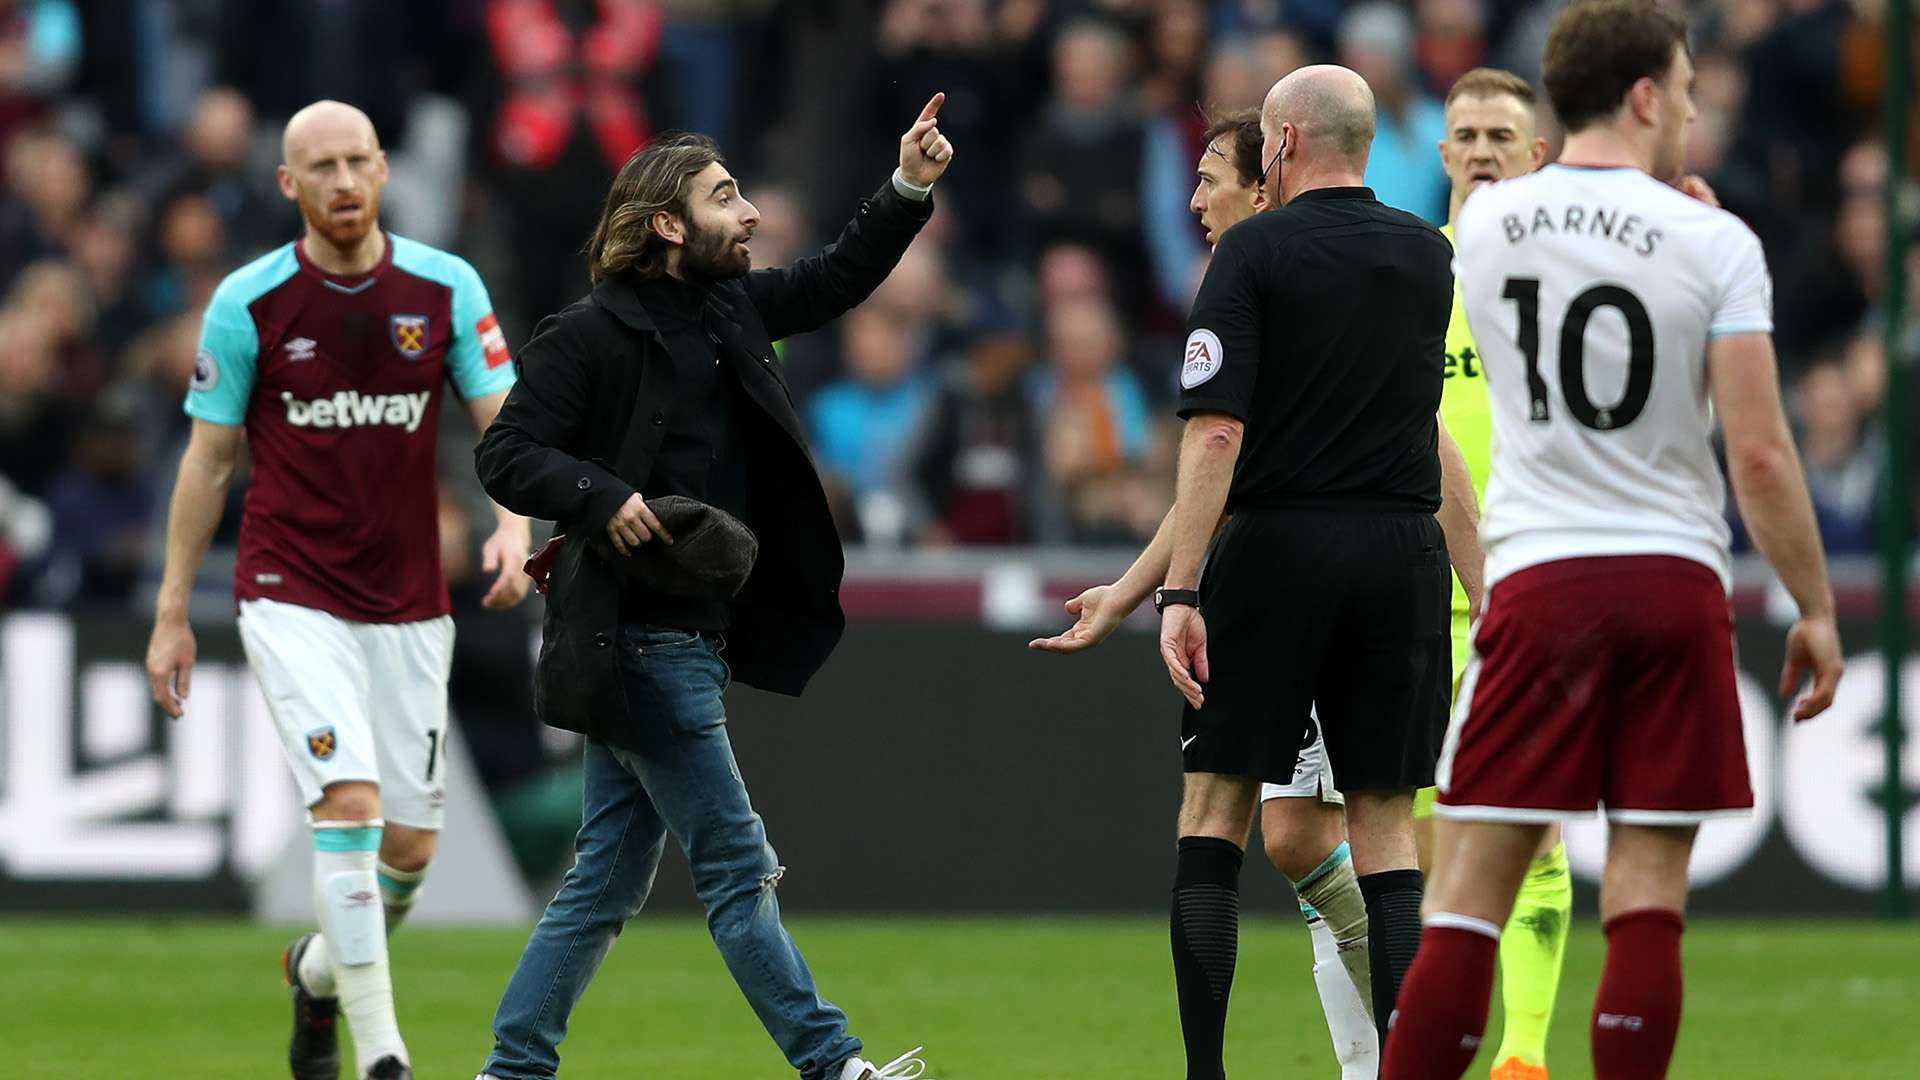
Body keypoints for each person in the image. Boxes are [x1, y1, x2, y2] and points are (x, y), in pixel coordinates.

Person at [1381, 4, 1845, 1077]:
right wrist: (1814, 605)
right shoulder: (1712, 238)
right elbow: (1764, 457)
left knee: (1466, 899)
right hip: (1675, 581)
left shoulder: (1486, 232)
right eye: (1684, 90)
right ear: (1644, 96)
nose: (1689, 107)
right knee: (1643, 896)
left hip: (1537, 582)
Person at [468, 96, 955, 1080]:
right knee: (738, 870)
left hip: (686, 634)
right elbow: (505, 452)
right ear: (667, 224)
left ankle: (511, 1071)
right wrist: (601, 495)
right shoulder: (589, 335)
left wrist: (908, 185)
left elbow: (833, 281)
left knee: (600, 886)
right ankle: (836, 1068)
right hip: (638, 641)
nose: (752, 215)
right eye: (726, 197)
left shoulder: (727, 307)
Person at [1036, 69, 1473, 1079]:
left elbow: (1218, 437)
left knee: (1216, 815)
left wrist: (1181, 592)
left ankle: (1205, 1073)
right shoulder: (1426, 255)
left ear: (1281, 143)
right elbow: (1424, 433)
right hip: (1399, 557)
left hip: (1277, 553)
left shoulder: (1251, 254)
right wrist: (1482, 589)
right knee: (1387, 834)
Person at [143, 100, 532, 1080]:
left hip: (408, 597)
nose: (344, 181)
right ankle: (384, 1058)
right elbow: (208, 463)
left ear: (385, 169)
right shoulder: (249, 302)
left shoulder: (443, 286)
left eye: (358, 161)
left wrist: (518, 526)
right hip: (289, 588)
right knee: (348, 806)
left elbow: (506, 425)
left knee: (406, 851)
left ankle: (317, 979)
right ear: (289, 185)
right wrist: (170, 612)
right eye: (321, 167)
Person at [1419, 67, 1567, 1080]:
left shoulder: (1566, 279)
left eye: (1498, 135)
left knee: (1533, 830)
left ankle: (1524, 1055)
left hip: (1526, 582)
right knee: (1428, 848)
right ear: (1442, 154)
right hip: (1414, 590)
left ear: (1536, 155)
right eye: (1464, 132)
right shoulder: (1406, 271)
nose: (1479, 148)